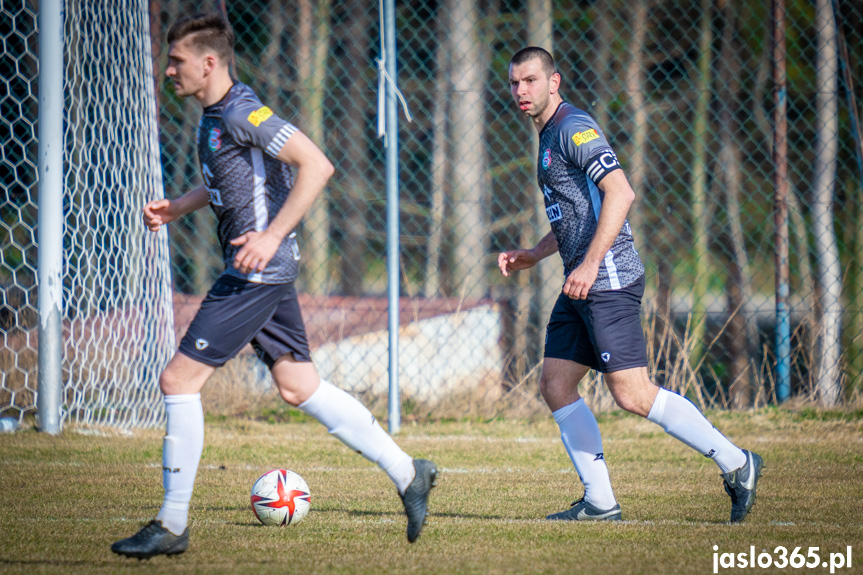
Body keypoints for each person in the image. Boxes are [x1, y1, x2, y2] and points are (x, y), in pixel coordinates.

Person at [111, 13, 436, 558]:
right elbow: (231, 177)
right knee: (298, 386)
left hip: (256, 270)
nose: (168, 71)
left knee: (177, 380)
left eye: (177, 61)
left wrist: (270, 234)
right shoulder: (216, 115)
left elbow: (317, 164)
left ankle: (171, 524)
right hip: (264, 268)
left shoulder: (242, 110)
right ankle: (409, 472)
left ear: (209, 62)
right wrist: (178, 207)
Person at [498, 47, 762, 523]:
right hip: (580, 279)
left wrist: (592, 264)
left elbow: (620, 192)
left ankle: (738, 464)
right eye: (515, 83)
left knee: (633, 395)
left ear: (554, 82)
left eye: (531, 81)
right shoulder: (547, 137)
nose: (521, 91)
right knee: (556, 384)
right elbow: (576, 212)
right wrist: (535, 254)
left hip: (607, 278)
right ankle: (599, 502)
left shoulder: (574, 128)